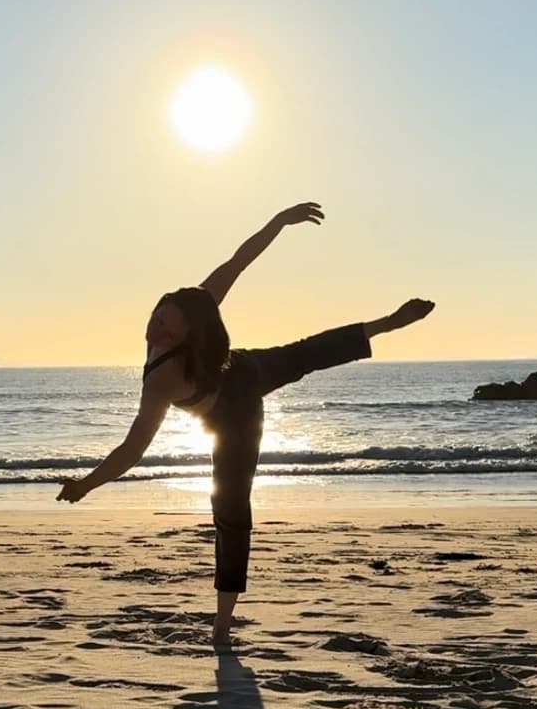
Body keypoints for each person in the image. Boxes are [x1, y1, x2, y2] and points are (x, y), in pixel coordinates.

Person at [57, 204, 434, 648]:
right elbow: (133, 448)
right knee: (230, 514)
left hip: (242, 390)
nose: (155, 332)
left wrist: (279, 223)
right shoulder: (173, 343)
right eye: (156, 319)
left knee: (303, 357)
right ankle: (223, 621)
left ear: (189, 335)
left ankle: (388, 323)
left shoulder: (178, 354)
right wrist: (87, 484)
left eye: (167, 331)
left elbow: (241, 262)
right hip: (228, 405)